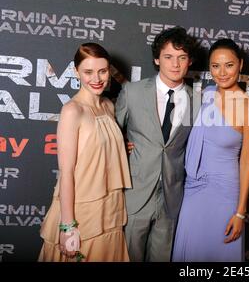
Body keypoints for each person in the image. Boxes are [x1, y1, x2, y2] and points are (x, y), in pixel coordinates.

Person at [38, 43, 132, 262]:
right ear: (76, 72)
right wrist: (68, 226)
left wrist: (119, 147)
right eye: (88, 72)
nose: (96, 78)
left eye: (102, 71)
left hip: (111, 208)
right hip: (82, 210)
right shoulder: (73, 110)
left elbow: (100, 149)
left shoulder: (108, 105)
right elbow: (67, 172)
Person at [172, 38, 249, 262]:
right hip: (193, 190)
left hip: (224, 193)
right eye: (215, 66)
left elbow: (247, 162)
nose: (222, 73)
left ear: (240, 64)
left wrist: (240, 212)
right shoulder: (205, 95)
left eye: (229, 65)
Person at [115, 26, 197, 262]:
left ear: (189, 61)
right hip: (135, 192)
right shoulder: (132, 93)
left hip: (172, 197)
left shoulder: (199, 101)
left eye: (182, 58)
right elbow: (109, 136)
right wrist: (123, 146)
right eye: (168, 57)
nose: (175, 64)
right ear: (156, 59)